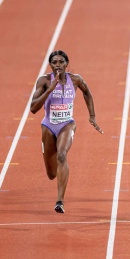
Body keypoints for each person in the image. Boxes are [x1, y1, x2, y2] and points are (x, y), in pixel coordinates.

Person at [30, 50, 103, 213]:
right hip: (48, 126)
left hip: (67, 124)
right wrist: (49, 90)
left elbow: (87, 92)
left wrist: (92, 116)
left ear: (66, 64)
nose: (58, 65)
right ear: (50, 65)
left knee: (62, 155)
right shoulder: (44, 81)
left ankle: (60, 201)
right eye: (54, 62)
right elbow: (33, 109)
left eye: (61, 62)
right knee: (51, 174)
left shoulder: (76, 80)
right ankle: (57, 176)